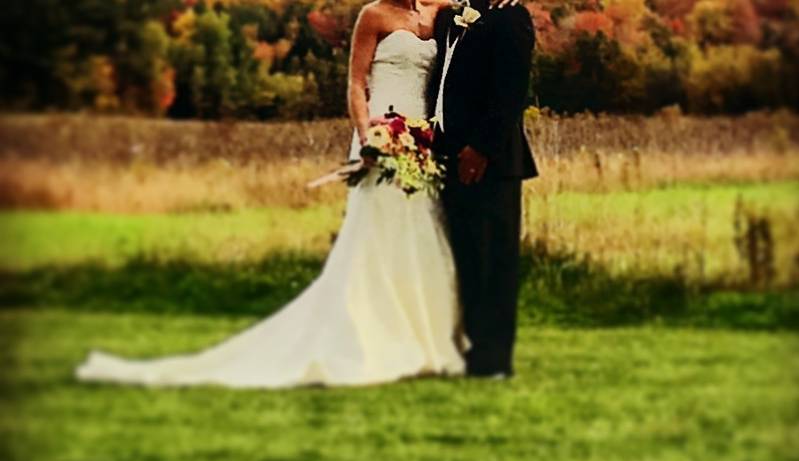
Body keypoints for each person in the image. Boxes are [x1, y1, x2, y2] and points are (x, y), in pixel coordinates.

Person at [76, 0, 468, 389]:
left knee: (417, 230)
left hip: (422, 137)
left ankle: (420, 338)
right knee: (378, 231)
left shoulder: (438, 12)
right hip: (381, 134)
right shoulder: (373, 15)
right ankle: (369, 339)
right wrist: (369, 138)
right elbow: (355, 83)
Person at [429, 0, 538, 379]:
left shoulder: (511, 18)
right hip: (447, 155)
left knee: (495, 262)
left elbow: (510, 94)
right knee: (467, 260)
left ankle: (494, 361)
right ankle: (471, 351)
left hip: (491, 164)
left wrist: (480, 149)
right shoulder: (451, 18)